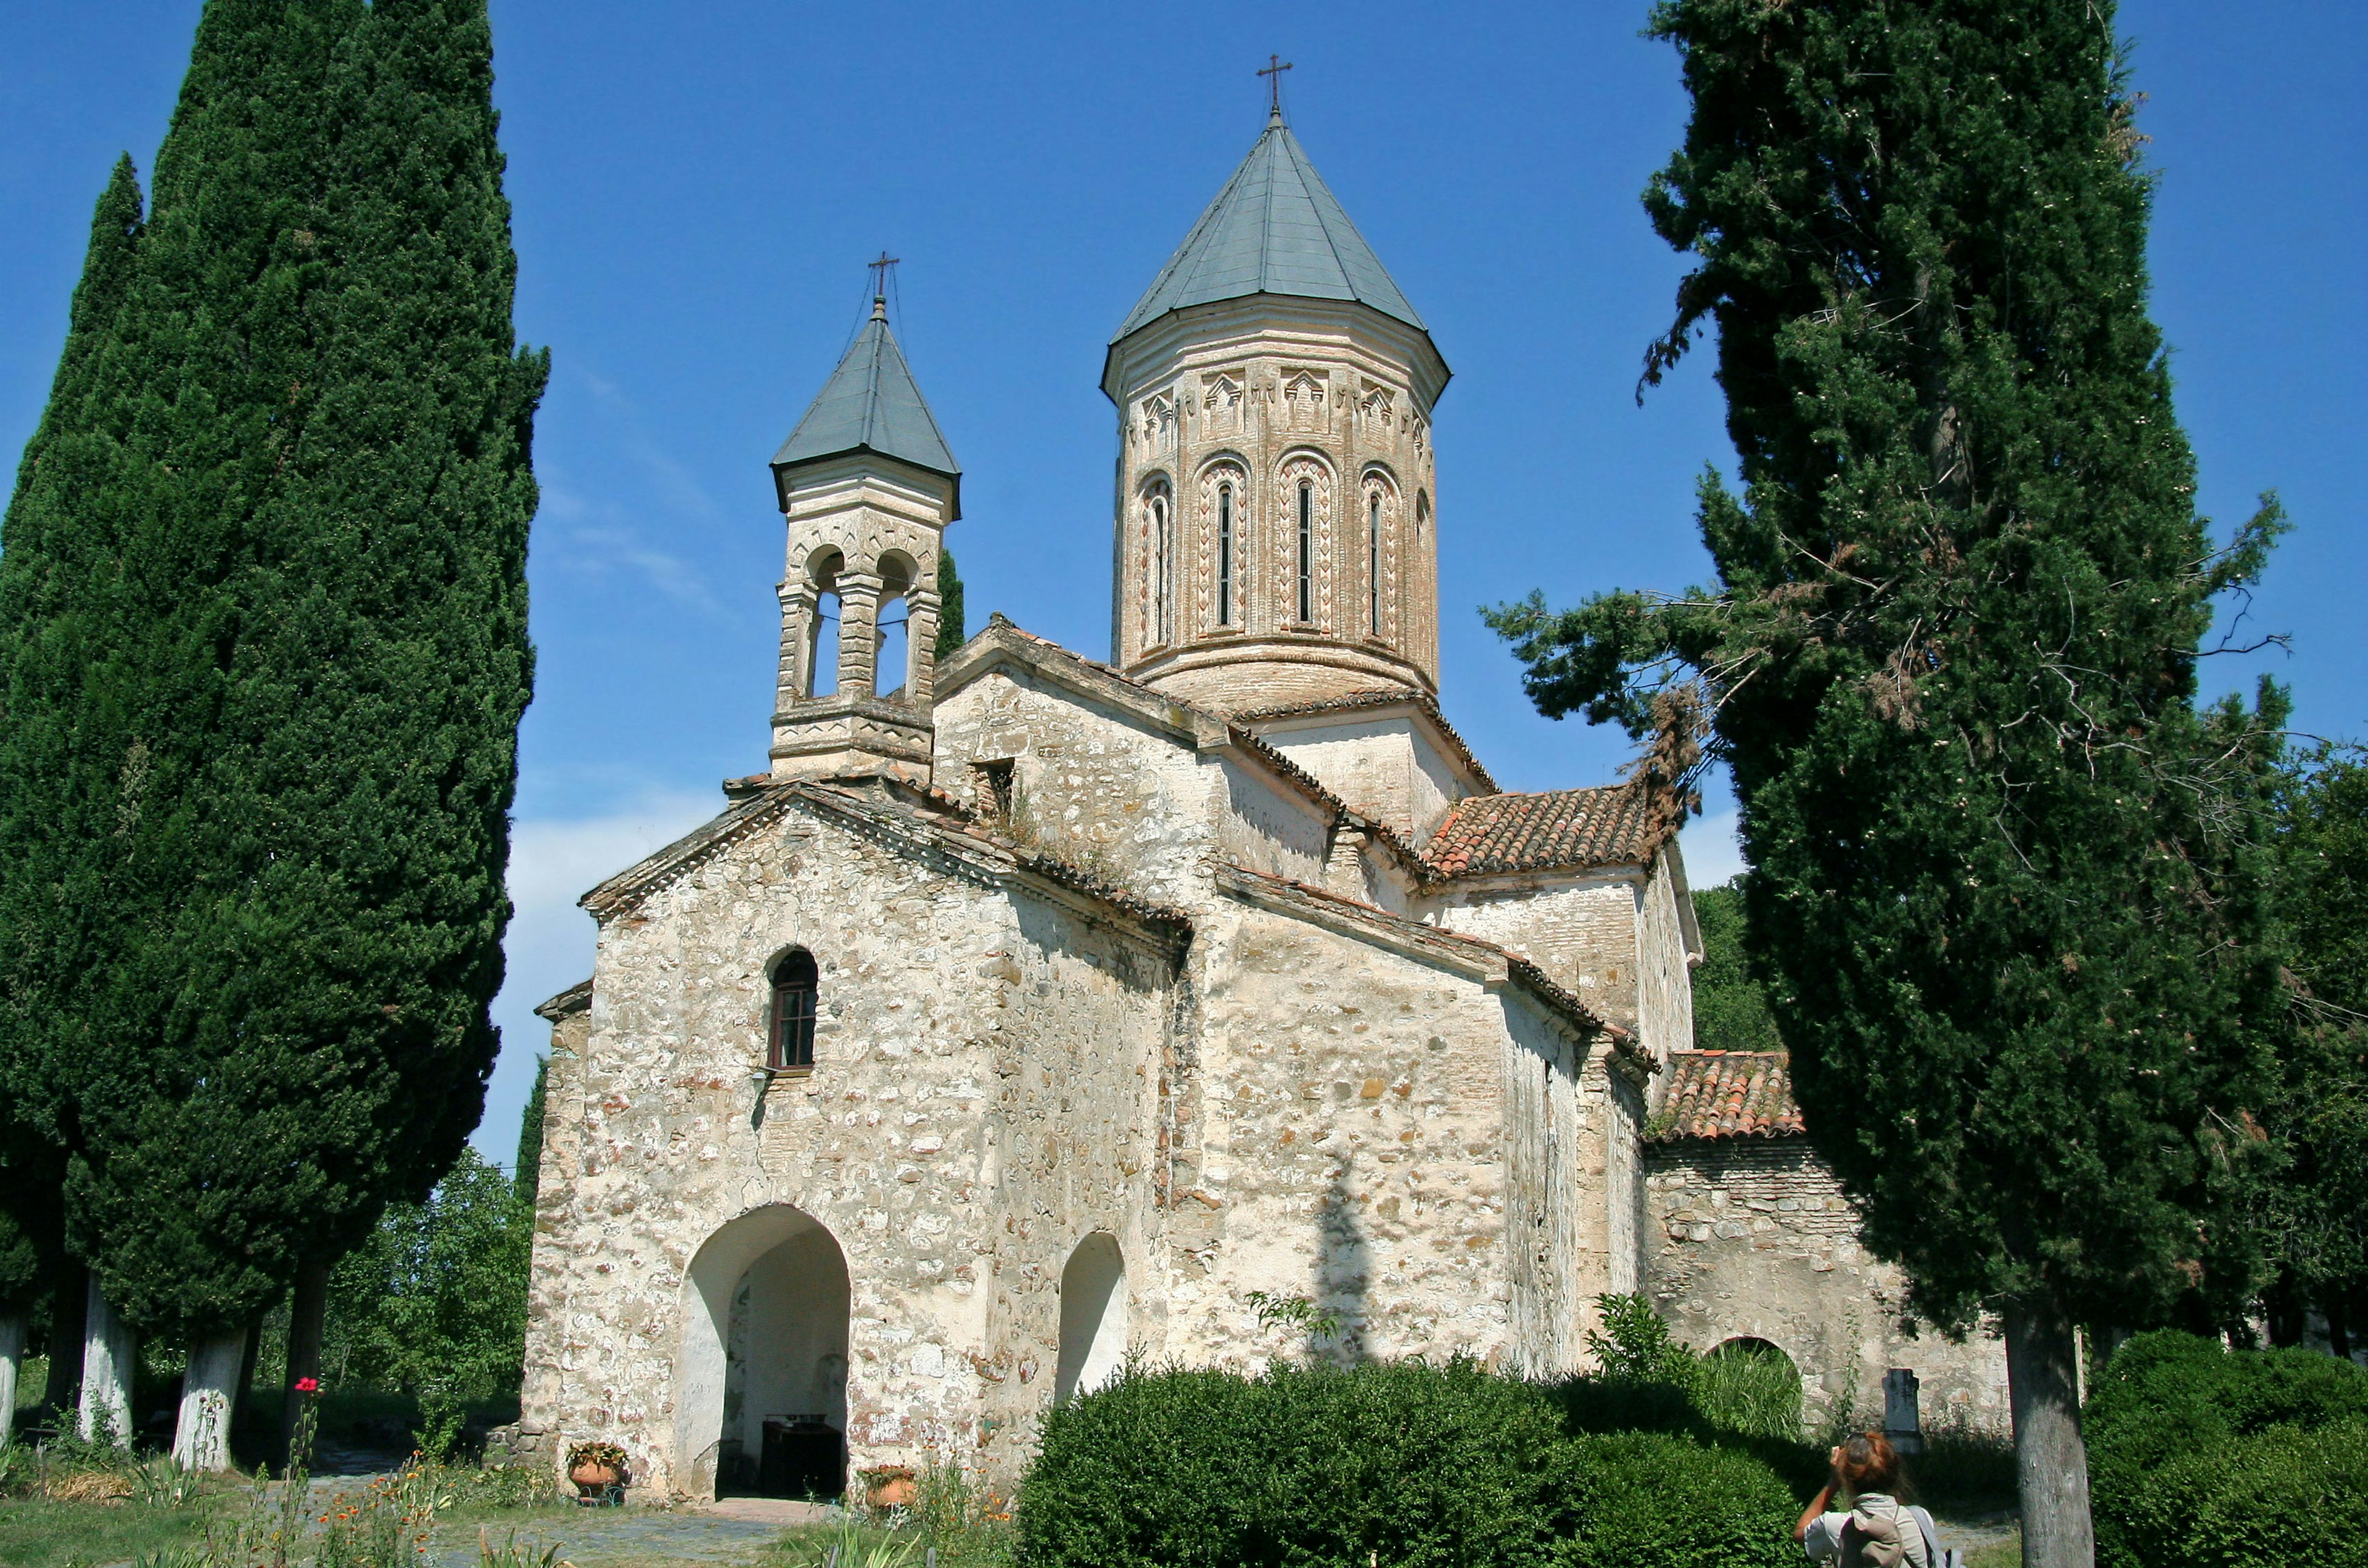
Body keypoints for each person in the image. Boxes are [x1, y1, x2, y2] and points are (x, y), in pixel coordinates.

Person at [1794, 1431, 1948, 1567]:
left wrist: (1834, 1481)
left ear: (1846, 1477)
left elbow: (1799, 1533)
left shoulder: (1835, 1526)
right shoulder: (1921, 1518)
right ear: (1893, 1473)